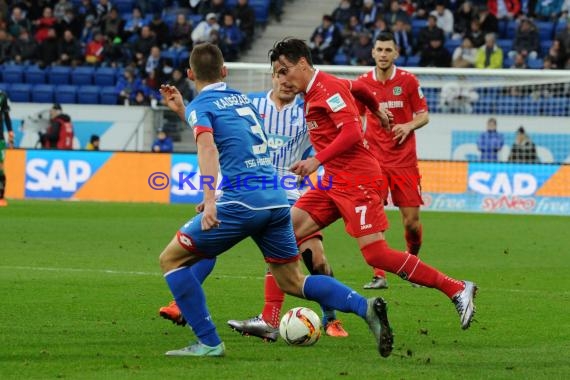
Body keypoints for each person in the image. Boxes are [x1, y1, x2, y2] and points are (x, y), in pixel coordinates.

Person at [157, 42, 393, 357]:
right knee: (293, 281)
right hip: (278, 200)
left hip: (243, 200)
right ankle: (365, 308)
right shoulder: (242, 99)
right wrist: (182, 109)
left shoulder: (205, 105)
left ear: (189, 74)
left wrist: (211, 199)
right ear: (225, 71)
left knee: (172, 259)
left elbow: (208, 147)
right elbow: (225, 129)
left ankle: (209, 343)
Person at [270, 37, 476, 331]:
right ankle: (279, 319)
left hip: (359, 181)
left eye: (285, 70)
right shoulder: (324, 85)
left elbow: (353, 133)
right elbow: (361, 88)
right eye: (278, 73)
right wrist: (377, 108)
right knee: (283, 234)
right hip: (333, 182)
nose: (282, 78)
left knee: (376, 254)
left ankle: (456, 288)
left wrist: (316, 160)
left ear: (302, 64)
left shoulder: (325, 90)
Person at [355, 32, 429, 290]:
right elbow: (356, 116)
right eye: (380, 50)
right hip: (373, 161)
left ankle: (412, 262)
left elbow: (424, 115)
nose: (383, 54)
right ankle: (379, 275)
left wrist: (408, 125)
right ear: (373, 53)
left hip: (404, 161)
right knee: (374, 217)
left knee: (411, 222)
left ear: (395, 53)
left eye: (388, 50)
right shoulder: (363, 83)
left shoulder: (408, 81)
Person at [0, 90, 13, 207]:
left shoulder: (2, 96)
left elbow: (6, 115)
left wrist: (10, 131)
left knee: (0, 168)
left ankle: (1, 197)